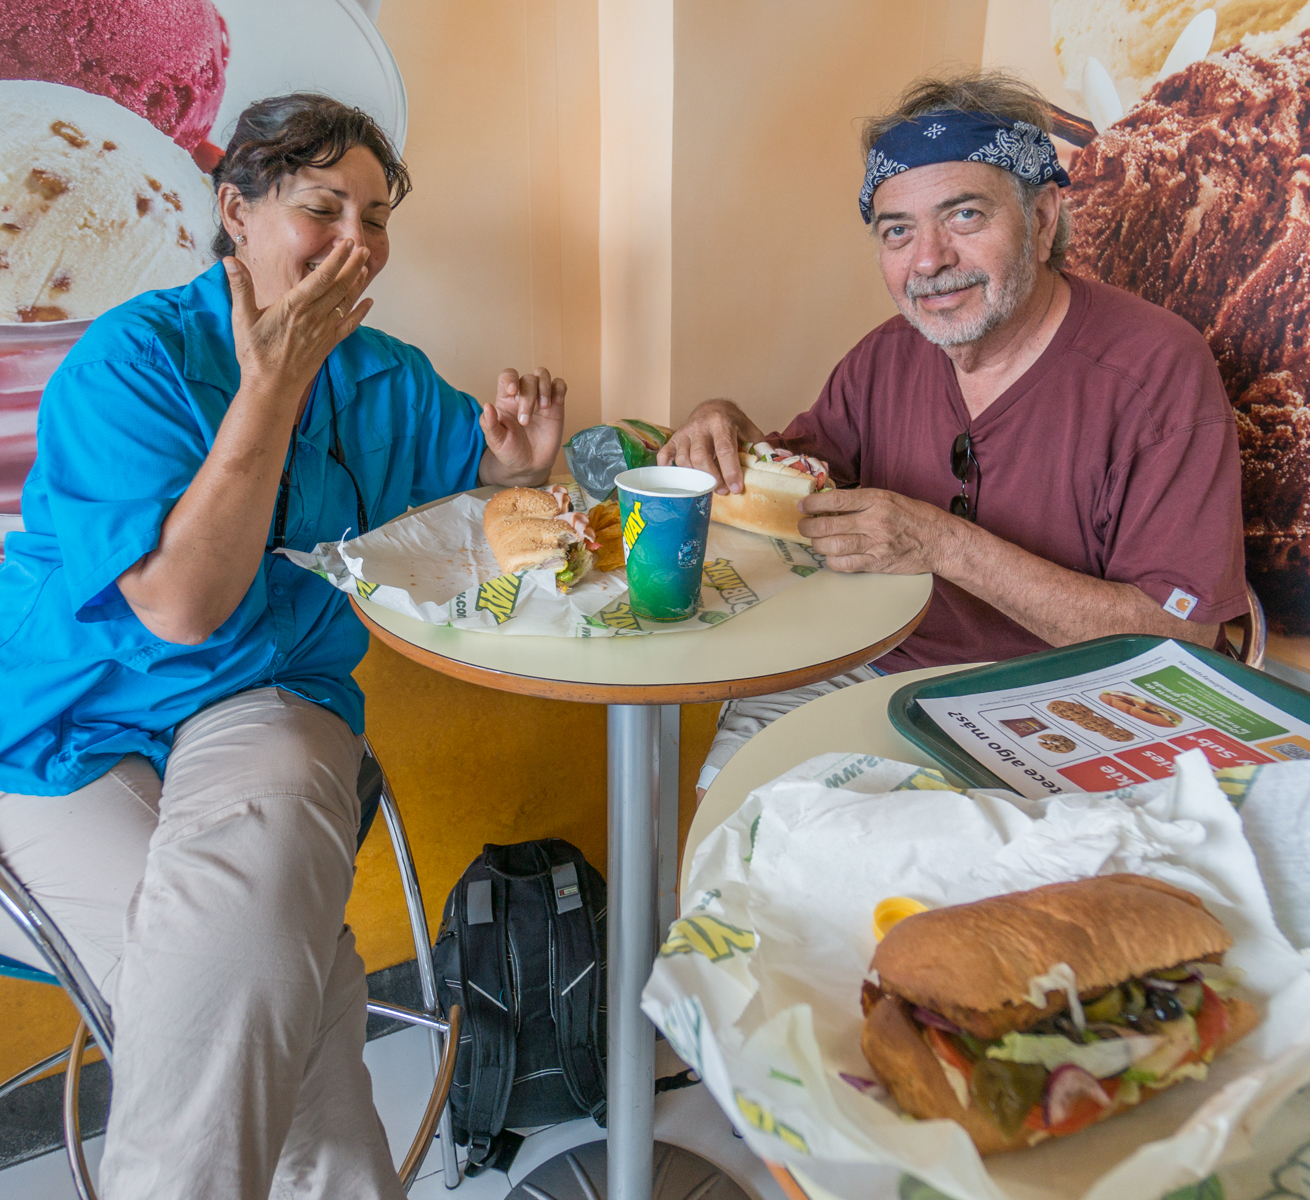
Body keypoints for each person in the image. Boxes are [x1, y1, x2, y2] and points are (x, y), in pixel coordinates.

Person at [0, 94, 564, 1199]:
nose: (358, 242)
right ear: (235, 212)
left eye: (376, 217)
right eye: (323, 208)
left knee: (240, 954)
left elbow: (469, 513)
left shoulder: (383, 375)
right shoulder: (133, 363)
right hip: (53, 722)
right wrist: (271, 384)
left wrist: (512, 469)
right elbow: (181, 609)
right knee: (257, 984)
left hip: (263, 699)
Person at [659, 72, 1248, 797]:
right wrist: (721, 426)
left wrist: (942, 544)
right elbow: (799, 485)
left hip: (1067, 709)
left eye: (964, 216)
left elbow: (1176, 640)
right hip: (875, 668)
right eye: (897, 232)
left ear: (1043, 214)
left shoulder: (1158, 371)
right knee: (729, 807)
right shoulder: (886, 355)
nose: (928, 260)